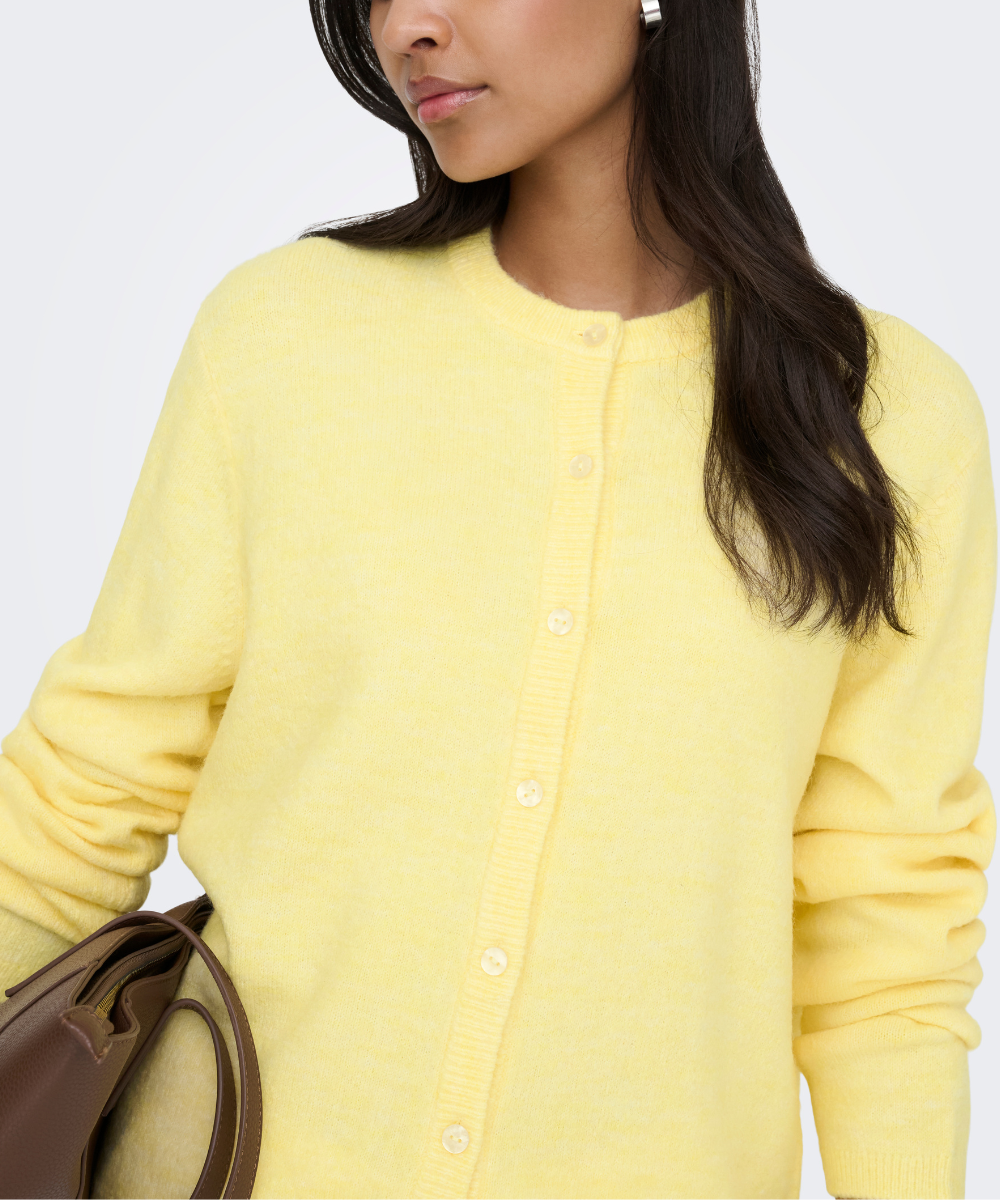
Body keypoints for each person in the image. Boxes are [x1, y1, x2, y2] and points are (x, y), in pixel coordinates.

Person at [0, 0, 994, 1198]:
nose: (405, 27)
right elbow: (87, 790)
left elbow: (887, 919)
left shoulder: (889, 424)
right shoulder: (287, 337)